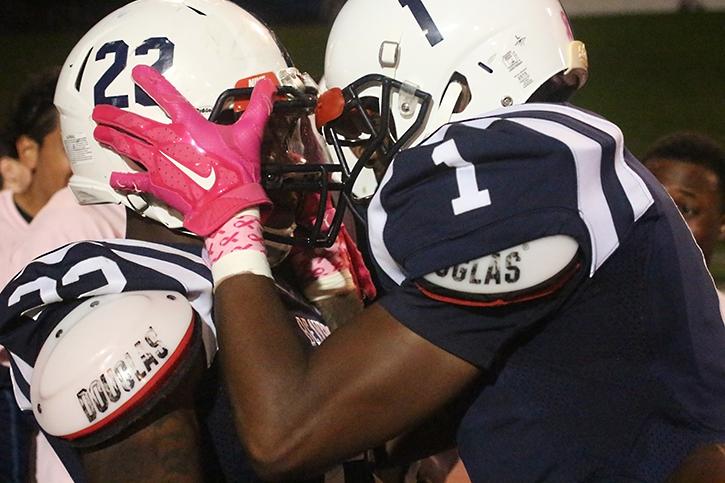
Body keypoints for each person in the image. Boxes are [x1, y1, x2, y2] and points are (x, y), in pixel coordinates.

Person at [95, 0, 725, 481]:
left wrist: (230, 221)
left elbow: (285, 432)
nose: (354, 144)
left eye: (367, 110)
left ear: (465, 83)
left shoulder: (524, 169)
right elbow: (389, 429)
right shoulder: (563, 164)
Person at [0, 1, 376, 481]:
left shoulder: (249, 273)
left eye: (288, 126)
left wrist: (340, 309)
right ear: (152, 144)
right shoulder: (123, 309)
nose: (296, 158)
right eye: (265, 130)